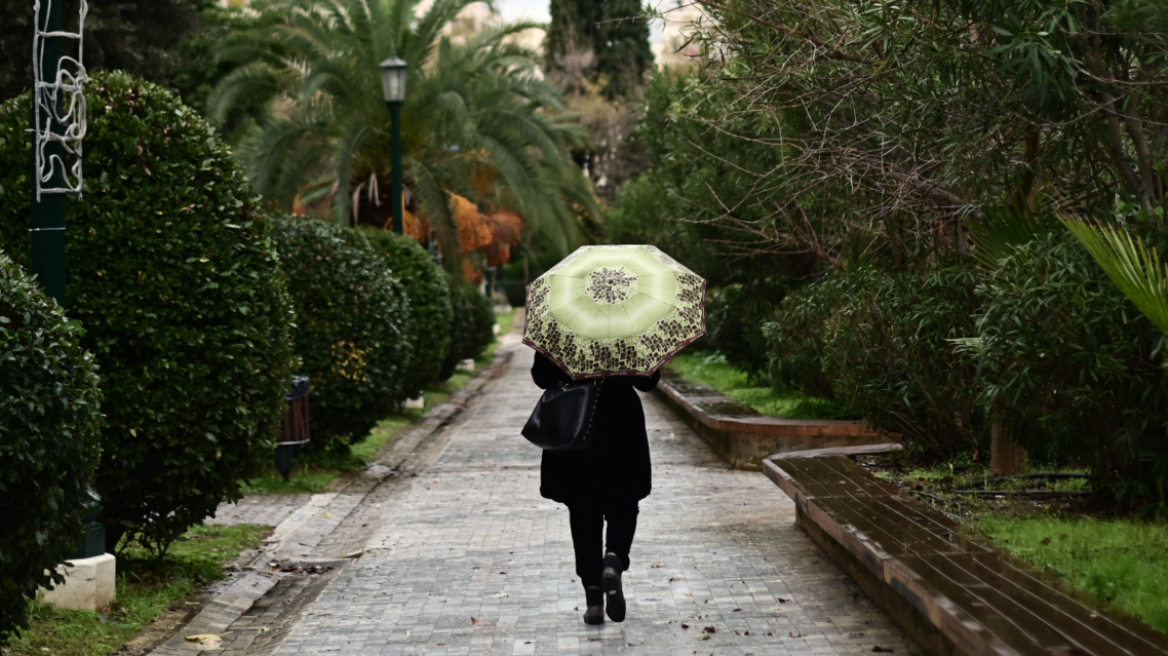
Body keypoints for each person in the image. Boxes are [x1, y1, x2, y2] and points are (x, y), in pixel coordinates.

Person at [530, 350, 661, 625]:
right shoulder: (628, 326)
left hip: (575, 422)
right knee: (624, 502)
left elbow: (541, 377)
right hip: (621, 424)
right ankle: (613, 561)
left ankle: (593, 599)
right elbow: (649, 381)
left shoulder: (561, 322)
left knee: (582, 511)